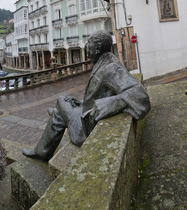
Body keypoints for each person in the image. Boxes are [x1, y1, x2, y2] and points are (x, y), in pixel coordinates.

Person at [23, 30, 151, 161]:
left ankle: (59, 121)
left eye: (88, 44)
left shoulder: (111, 68)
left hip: (85, 126)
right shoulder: (105, 61)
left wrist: (108, 104)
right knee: (58, 112)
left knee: (61, 101)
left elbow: (141, 96)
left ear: (98, 48)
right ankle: (43, 149)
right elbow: (100, 94)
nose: (86, 48)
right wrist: (81, 102)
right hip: (85, 110)